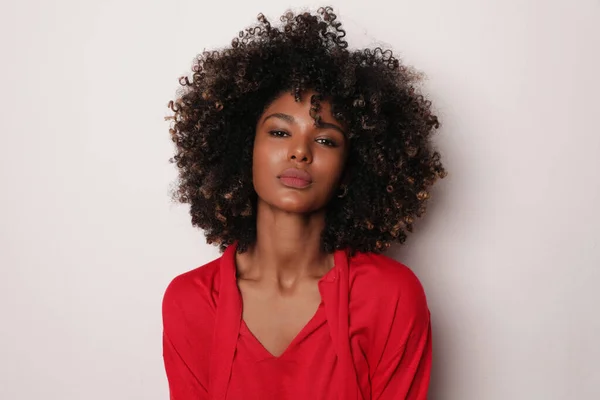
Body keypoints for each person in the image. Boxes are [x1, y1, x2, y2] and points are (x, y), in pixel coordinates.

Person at [162, 6, 447, 400]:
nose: (300, 152)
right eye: (279, 132)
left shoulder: (390, 296)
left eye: (326, 140)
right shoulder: (191, 300)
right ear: (244, 150)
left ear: (351, 169)